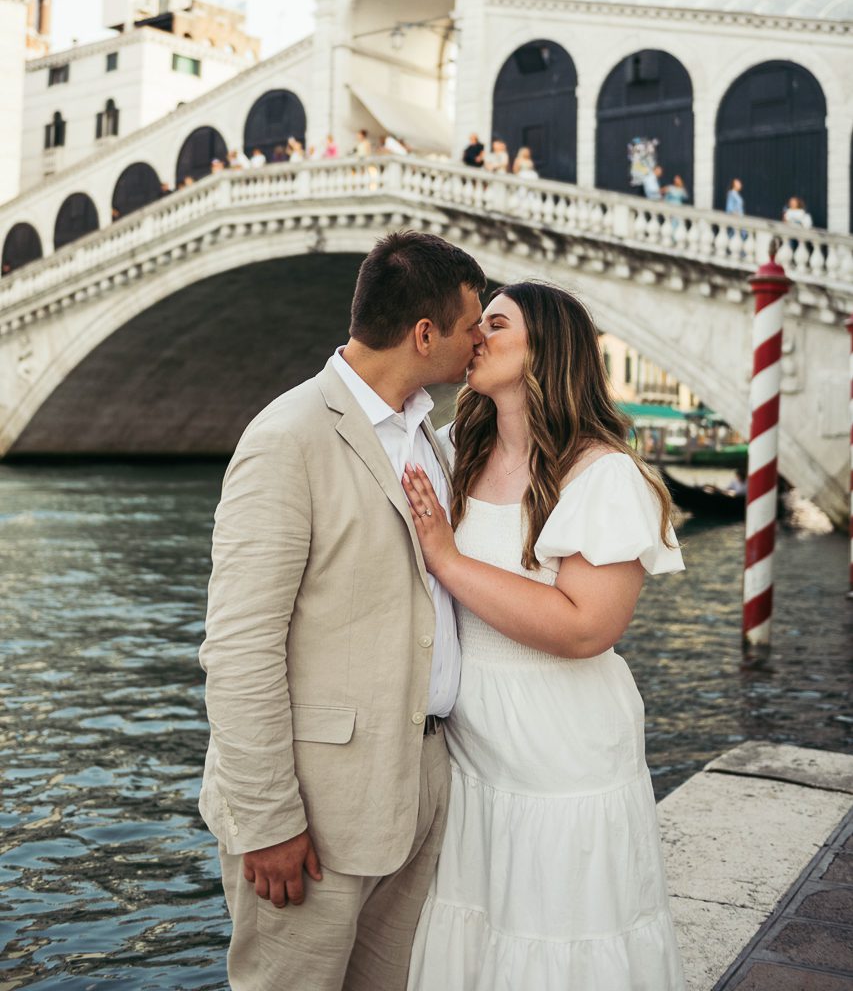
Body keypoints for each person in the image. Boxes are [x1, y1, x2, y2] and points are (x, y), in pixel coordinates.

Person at [198, 232, 487, 991]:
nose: (478, 342)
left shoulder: (426, 433)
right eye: (470, 327)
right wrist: (268, 822)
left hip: (417, 788)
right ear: (424, 334)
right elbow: (239, 649)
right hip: (313, 813)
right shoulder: (286, 438)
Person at [402, 282, 686, 991]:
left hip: (563, 748)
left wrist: (447, 559)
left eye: (495, 324)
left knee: (559, 937)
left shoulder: (602, 473)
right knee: (480, 927)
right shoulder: (453, 450)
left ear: (545, 349)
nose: (476, 335)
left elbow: (586, 625)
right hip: (473, 745)